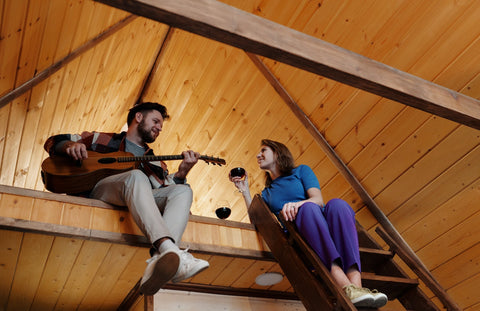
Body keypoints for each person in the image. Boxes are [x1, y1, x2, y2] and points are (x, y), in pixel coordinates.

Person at [44, 102, 209, 295]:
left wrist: (181, 174)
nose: (159, 128)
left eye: (161, 126)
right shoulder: (102, 139)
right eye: (155, 121)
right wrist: (69, 146)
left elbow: (167, 195)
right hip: (100, 193)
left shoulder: (157, 162)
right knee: (136, 176)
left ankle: (161, 255)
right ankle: (170, 250)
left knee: (183, 192)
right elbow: (53, 141)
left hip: (137, 200)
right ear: (138, 117)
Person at [229, 139, 387, 308]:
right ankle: (346, 286)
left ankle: (357, 288)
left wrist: (296, 205)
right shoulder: (267, 193)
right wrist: (245, 191)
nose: (258, 155)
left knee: (338, 205)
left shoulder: (301, 171)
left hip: (319, 218)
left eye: (264, 150)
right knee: (308, 210)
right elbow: (256, 221)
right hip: (300, 230)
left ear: (277, 152)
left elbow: (318, 200)